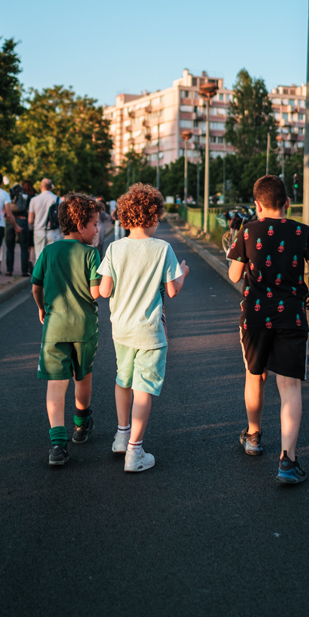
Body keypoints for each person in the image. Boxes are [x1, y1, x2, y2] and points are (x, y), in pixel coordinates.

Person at [227, 175, 309, 484]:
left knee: (255, 377)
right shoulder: (303, 232)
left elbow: (233, 275)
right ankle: (288, 460)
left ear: (257, 205)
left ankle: (254, 437)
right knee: (290, 387)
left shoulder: (247, 231)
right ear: (287, 203)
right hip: (292, 317)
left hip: (255, 317)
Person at [98, 183, 189, 473]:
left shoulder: (114, 247)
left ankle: (122, 436)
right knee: (144, 389)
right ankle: (135, 453)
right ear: (152, 217)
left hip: (121, 329)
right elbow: (172, 291)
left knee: (122, 379)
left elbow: (104, 289)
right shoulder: (163, 249)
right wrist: (183, 273)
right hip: (150, 332)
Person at [31, 192, 103, 467]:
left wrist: (42, 307)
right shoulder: (90, 254)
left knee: (55, 382)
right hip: (84, 328)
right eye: (95, 224)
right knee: (81, 377)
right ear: (81, 224)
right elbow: (96, 293)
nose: (97, 230)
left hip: (54, 327)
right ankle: (81, 425)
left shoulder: (48, 251)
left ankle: (57, 445)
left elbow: (36, 287)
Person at [29, 179, 61, 260]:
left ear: (41, 187)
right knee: (52, 258)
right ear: (51, 187)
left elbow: (30, 220)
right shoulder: (58, 199)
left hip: (39, 231)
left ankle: (38, 273)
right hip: (53, 232)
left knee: (39, 258)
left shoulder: (34, 200)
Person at [6, 181, 33, 277]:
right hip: (22, 220)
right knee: (24, 247)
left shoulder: (9, 196)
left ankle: (9, 270)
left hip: (10, 220)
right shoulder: (26, 196)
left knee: (9, 247)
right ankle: (24, 271)